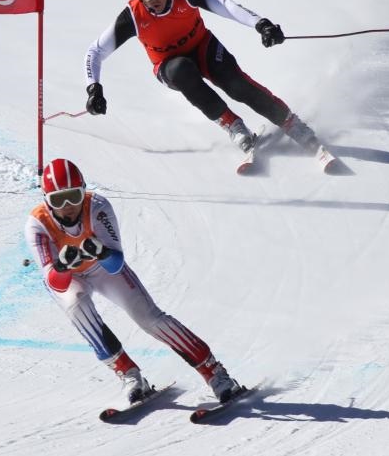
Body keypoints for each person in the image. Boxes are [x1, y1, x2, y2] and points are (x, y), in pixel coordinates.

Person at [25, 157, 243, 405]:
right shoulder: (37, 224)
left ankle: (215, 373)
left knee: (149, 318)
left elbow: (116, 263)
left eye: (73, 196)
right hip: (68, 277)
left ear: (84, 191)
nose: (67, 207)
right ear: (46, 200)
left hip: (102, 268)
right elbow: (56, 283)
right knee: (76, 306)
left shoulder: (97, 206)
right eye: (57, 200)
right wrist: (63, 267)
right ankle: (129, 374)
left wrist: (102, 253)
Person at [83, 0, 328, 158]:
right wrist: (94, 88)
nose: (153, 0)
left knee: (237, 85)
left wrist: (262, 24)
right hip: (168, 65)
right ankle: (232, 124)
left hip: (202, 47)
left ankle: (291, 123)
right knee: (182, 71)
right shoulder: (133, 16)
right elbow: (95, 51)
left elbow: (226, 5)